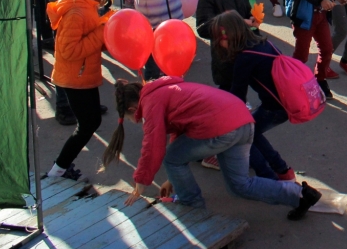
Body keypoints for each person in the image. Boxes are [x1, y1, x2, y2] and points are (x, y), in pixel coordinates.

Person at [102, 78, 321, 218]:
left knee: (170, 158)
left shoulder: (151, 103)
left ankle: (192, 207)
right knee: (239, 185)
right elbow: (180, 132)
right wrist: (172, 178)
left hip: (222, 129)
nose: (135, 121)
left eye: (132, 118)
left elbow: (152, 146)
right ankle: (300, 194)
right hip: (243, 122)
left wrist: (140, 184)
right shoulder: (164, 89)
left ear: (132, 108)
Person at [45, 0, 112, 180]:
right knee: (88, 124)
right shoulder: (76, 11)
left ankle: (60, 167)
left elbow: (89, 38)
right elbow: (69, 51)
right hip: (75, 78)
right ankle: (58, 169)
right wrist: (102, 31)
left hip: (83, 75)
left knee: (91, 121)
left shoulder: (85, 1)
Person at [216, 11, 298, 181]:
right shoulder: (263, 42)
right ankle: (282, 170)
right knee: (254, 133)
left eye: (219, 39)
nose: (218, 44)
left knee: (245, 135)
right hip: (286, 99)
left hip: (275, 107)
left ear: (229, 37)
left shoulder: (245, 57)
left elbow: (238, 96)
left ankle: (271, 176)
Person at [195, 0, 264, 90]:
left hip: (243, 48)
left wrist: (253, 21)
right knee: (227, 86)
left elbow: (246, 12)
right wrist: (236, 24)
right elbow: (203, 28)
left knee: (241, 83)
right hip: (223, 53)